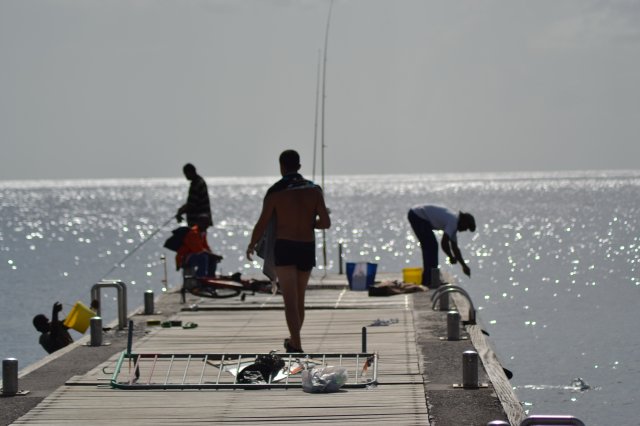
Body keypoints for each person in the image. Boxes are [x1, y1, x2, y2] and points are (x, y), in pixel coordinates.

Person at [246, 150, 331, 353]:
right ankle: (294, 341)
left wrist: (252, 244)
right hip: (306, 246)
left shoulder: (276, 192)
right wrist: (310, 223)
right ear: (299, 166)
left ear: (281, 166)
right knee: (299, 298)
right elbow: (325, 223)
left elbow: (262, 223)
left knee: (289, 300)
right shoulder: (314, 190)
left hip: (284, 246)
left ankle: (297, 344)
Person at [408, 204, 476, 287]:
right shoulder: (453, 221)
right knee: (432, 246)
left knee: (429, 246)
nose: (465, 230)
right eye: (466, 227)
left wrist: (464, 266)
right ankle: (430, 280)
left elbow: (455, 248)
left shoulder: (454, 224)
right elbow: (444, 243)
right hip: (418, 215)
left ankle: (428, 279)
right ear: (463, 221)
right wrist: (451, 256)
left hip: (417, 214)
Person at [176, 163, 213, 228]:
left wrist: (180, 212)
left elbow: (192, 204)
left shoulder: (196, 184)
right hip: (202, 221)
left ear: (190, 172)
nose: (185, 176)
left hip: (199, 221)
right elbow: (192, 202)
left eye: (186, 173)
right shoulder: (199, 181)